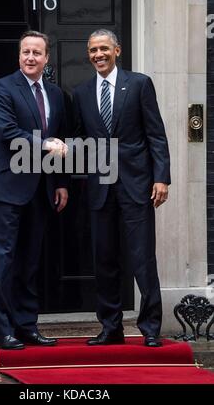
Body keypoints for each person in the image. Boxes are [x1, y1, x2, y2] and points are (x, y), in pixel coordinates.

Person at [72, 29, 170, 347]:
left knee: (143, 260)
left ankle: (151, 328)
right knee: (105, 260)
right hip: (100, 188)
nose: (98, 54)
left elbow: (155, 134)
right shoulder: (83, 92)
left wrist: (161, 177)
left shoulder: (139, 84)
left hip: (136, 185)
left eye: (103, 48)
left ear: (117, 50)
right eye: (92, 50)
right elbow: (79, 140)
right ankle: (110, 327)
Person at [0, 31, 68, 350]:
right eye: (25, 52)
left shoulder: (57, 95)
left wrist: (61, 182)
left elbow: (60, 139)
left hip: (41, 189)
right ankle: (4, 331)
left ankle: (27, 326)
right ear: (19, 56)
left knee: (30, 262)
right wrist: (45, 143)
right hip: (7, 187)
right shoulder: (2, 88)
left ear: (47, 58)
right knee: (3, 262)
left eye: (36, 53)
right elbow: (7, 132)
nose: (30, 57)